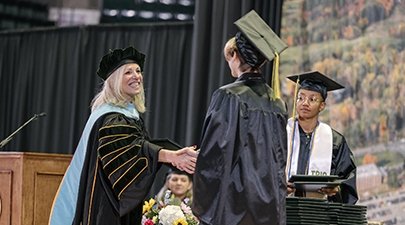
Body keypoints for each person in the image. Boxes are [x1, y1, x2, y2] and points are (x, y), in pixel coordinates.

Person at [48, 46, 198, 225]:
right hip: (105, 205)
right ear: (115, 80)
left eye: (138, 71)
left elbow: (140, 145)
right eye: (128, 72)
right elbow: (128, 151)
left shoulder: (124, 113)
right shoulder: (112, 118)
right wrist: (170, 155)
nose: (137, 76)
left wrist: (174, 154)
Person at [192, 10, 288, 225]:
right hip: (270, 205)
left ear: (235, 55)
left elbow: (215, 155)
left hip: (235, 205)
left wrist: (202, 200)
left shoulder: (228, 95)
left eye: (228, 57)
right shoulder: (278, 104)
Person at [285, 71, 358, 204]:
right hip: (281, 213)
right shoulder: (281, 133)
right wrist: (277, 185)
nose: (305, 103)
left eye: (312, 99)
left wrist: (336, 190)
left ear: (322, 106)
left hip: (317, 216)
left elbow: (347, 184)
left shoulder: (335, 141)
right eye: (300, 98)